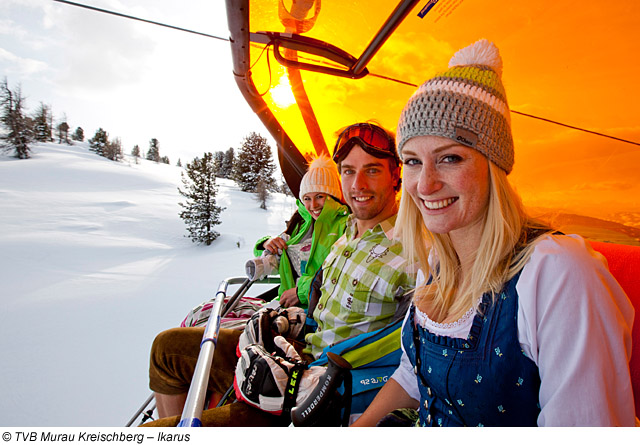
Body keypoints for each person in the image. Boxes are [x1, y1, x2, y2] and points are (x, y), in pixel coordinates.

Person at [352, 39, 636, 427]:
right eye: (413, 162)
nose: (425, 184)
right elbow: (413, 376)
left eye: (450, 158)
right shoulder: (437, 261)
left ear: (494, 166)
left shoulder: (557, 274)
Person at [143, 122, 415, 427]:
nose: (358, 184)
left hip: (319, 389)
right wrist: (293, 322)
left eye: (373, 170)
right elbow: (326, 306)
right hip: (296, 351)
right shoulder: (349, 232)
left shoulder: (414, 252)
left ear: (397, 175)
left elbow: (415, 364)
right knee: (166, 348)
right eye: (349, 171)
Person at [180, 155, 349, 329]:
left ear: (332, 195)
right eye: (307, 198)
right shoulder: (301, 225)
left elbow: (343, 276)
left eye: (320, 196)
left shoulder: (345, 226)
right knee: (201, 314)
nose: (313, 204)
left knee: (209, 331)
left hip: (310, 313)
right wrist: (266, 244)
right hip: (283, 304)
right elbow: (275, 258)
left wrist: (302, 292)